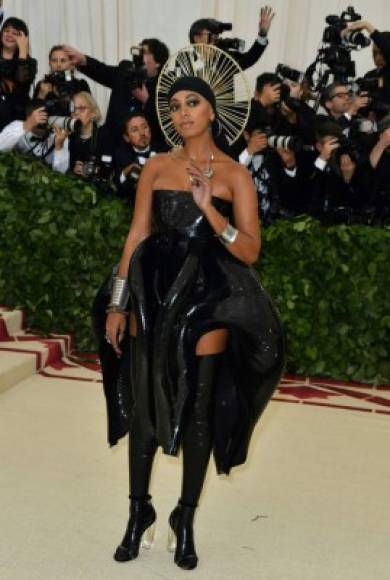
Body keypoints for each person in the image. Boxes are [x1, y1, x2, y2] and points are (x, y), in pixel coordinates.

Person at [95, 74, 284, 570]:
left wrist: (210, 211)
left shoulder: (233, 176)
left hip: (210, 294)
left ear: (212, 110)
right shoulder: (155, 166)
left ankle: (185, 516)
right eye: (175, 105)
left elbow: (249, 249)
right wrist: (119, 301)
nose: (182, 112)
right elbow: (137, 234)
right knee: (143, 407)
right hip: (152, 291)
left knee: (198, 410)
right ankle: (139, 513)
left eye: (192, 103)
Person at [114, 112, 168, 205]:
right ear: (127, 138)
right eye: (135, 130)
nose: (142, 133)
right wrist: (126, 172)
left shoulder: (163, 150)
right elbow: (120, 185)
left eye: (145, 127)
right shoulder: (122, 155)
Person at [0, 16, 37, 130]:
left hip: (16, 117)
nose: (9, 35)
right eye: (6, 31)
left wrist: (22, 51)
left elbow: (22, 80)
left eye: (15, 33)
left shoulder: (29, 63)